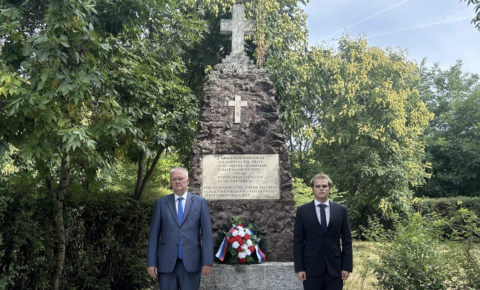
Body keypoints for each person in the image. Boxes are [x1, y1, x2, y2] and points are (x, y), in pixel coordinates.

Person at [147, 167, 213, 290]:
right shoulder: (161, 203)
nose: (177, 181)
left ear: (187, 181)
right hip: (166, 263)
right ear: (171, 182)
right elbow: (154, 235)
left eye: (180, 179)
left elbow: (207, 234)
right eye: (174, 179)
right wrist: (151, 262)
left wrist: (207, 261)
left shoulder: (200, 203)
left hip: (191, 263)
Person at [293, 174, 353, 290]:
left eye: (324, 186)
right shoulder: (302, 211)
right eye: (318, 186)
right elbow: (298, 242)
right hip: (311, 268)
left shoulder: (341, 210)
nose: (321, 188)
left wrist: (346, 267)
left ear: (329, 188)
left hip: (335, 269)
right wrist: (299, 268)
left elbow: (347, 241)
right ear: (313, 188)